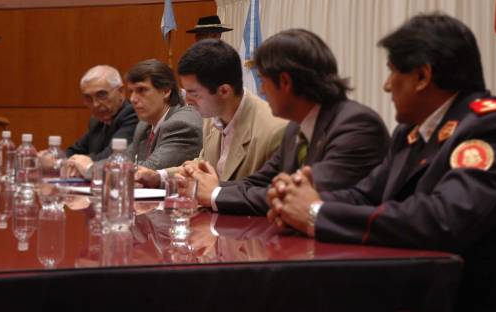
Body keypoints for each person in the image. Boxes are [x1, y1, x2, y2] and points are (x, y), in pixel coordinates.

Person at [267, 13, 496, 311]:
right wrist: (295, 202)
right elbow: (365, 194)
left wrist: (317, 213)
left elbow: (441, 221)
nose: (386, 86)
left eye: (392, 72)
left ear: (422, 77)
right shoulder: (412, 132)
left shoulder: (493, 129)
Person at [180, 29, 390, 216]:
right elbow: (257, 182)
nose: (261, 91)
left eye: (263, 81)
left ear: (286, 82)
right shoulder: (295, 128)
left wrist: (216, 194)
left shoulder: (356, 126)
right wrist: (208, 187)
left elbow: (300, 197)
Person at [135, 39, 287, 188]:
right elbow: (201, 166)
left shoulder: (274, 131)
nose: (187, 100)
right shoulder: (213, 115)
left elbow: (265, 196)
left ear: (224, 91)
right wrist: (159, 177)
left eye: (193, 93)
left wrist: (215, 194)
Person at [67, 59, 202, 178]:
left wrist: (90, 168)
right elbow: (122, 160)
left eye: (141, 90)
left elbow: (149, 170)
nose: (132, 99)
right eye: (131, 91)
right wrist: (85, 166)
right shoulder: (144, 124)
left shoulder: (182, 124)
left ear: (166, 91)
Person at [66, 65, 138, 161]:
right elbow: (73, 151)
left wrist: (76, 162)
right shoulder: (96, 120)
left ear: (121, 92)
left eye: (101, 95)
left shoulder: (132, 114)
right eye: (88, 98)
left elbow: (112, 157)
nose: (95, 104)